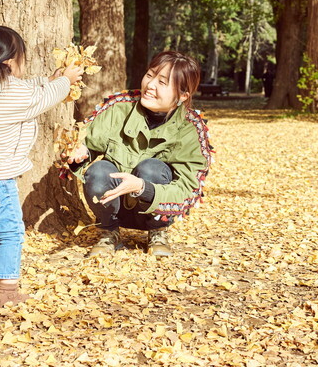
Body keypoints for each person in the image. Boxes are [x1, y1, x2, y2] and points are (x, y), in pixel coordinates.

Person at [0, 25, 84, 307]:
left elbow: (24, 89)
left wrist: (49, 79)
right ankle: (8, 292)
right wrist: (66, 80)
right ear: (10, 64)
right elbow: (42, 98)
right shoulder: (12, 92)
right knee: (11, 233)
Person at [67, 51, 213, 257]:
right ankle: (108, 233)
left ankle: (158, 232)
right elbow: (88, 142)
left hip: (155, 208)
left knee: (151, 168)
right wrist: (81, 152)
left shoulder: (191, 130)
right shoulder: (119, 107)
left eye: (162, 82)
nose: (150, 85)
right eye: (150, 75)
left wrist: (143, 188)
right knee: (98, 170)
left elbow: (189, 192)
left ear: (183, 96)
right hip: (113, 204)